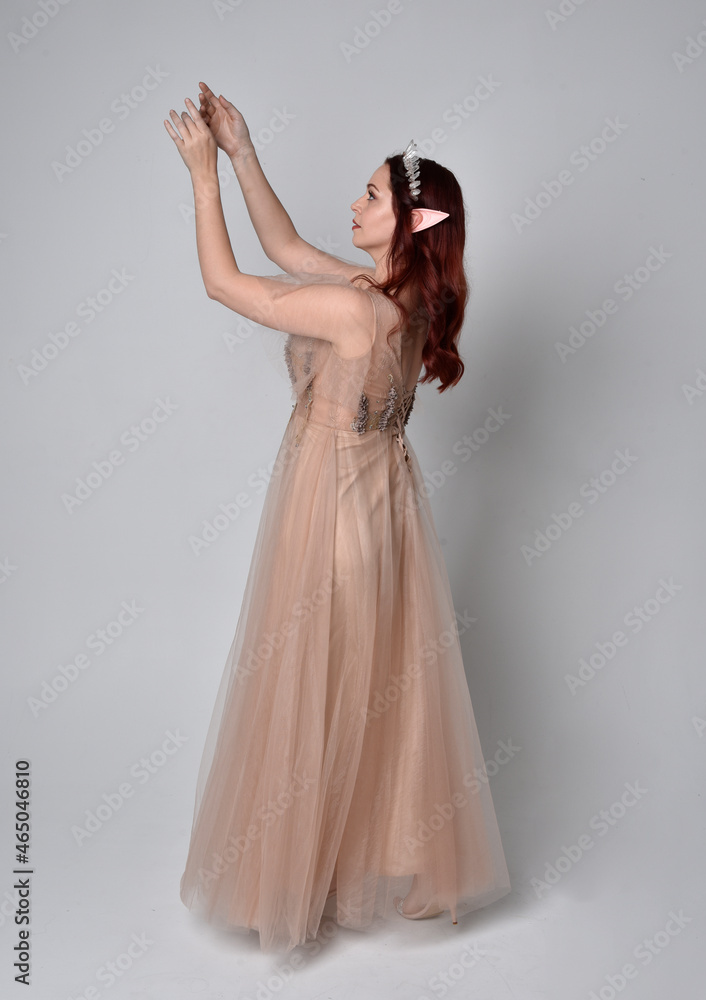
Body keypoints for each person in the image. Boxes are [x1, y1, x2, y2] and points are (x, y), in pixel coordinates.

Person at [164, 82, 511, 954]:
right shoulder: (399, 300)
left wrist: (201, 177)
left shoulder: (356, 312)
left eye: (370, 197)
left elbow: (223, 282)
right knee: (353, 687)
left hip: (332, 514)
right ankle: (330, 867)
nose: (353, 205)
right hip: (378, 514)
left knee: (307, 689)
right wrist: (242, 148)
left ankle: (286, 884)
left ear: (408, 223)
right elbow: (282, 244)